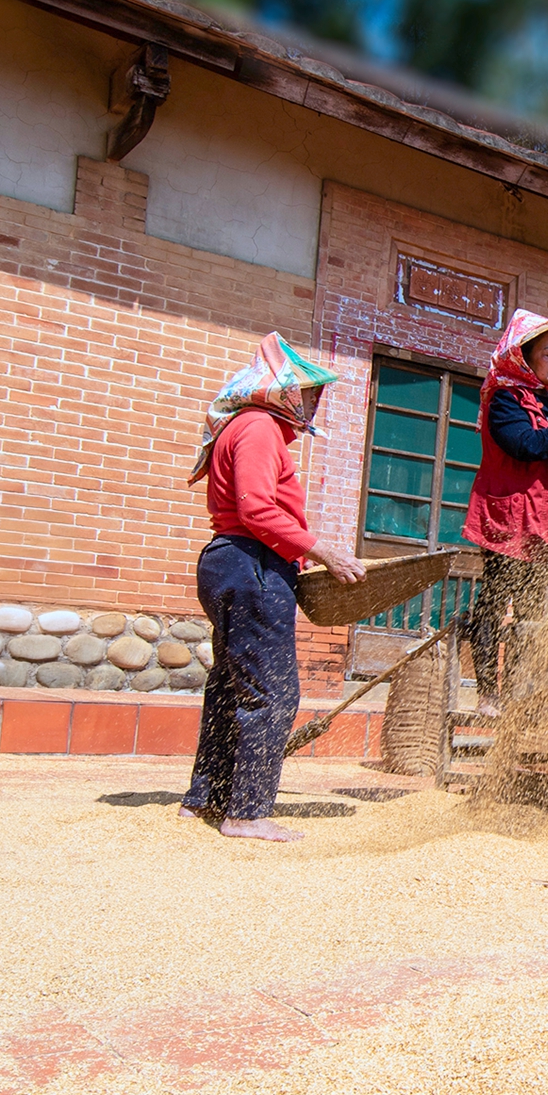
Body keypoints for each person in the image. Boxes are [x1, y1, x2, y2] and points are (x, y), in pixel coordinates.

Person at [179, 333, 365, 842]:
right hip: (253, 563)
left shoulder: (243, 426)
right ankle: (246, 811)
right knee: (272, 690)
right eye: (306, 393)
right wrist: (321, 550)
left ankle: (205, 798)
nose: (311, 403)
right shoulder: (260, 429)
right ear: (281, 391)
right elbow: (257, 510)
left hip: (229, 562)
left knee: (229, 685)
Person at [461, 309, 548, 717]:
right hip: (510, 519)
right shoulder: (504, 398)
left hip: (546, 523)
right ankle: (488, 693)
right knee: (495, 602)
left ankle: (517, 691)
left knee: (530, 610)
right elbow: (526, 444)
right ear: (525, 357)